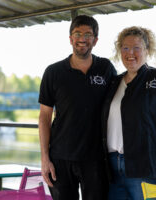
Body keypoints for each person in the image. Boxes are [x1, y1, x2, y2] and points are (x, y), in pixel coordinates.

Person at [101, 26, 156, 200]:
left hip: (148, 168)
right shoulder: (114, 82)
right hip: (113, 170)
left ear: (147, 50)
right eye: (125, 48)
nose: (130, 53)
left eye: (137, 48)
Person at [38, 15, 116, 200]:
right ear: (70, 38)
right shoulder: (53, 72)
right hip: (60, 158)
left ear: (95, 40)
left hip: (96, 158)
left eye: (88, 34)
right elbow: (44, 118)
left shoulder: (105, 68)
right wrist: (44, 158)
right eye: (78, 33)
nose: (82, 38)